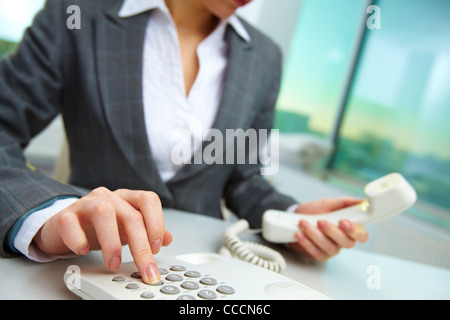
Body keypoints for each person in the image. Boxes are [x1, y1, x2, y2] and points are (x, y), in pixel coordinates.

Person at [0, 0, 368, 285]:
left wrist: (293, 220)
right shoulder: (77, 14)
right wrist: (47, 217)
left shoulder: (265, 57)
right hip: (91, 267)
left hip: (205, 276)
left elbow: (245, 177)